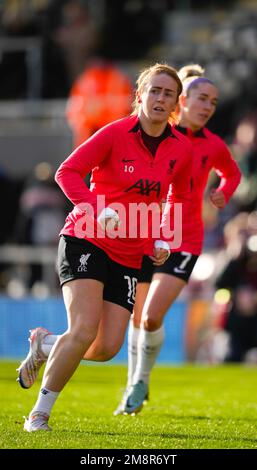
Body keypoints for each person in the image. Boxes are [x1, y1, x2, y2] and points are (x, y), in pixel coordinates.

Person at [17, 62, 194, 431]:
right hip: (86, 239)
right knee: (82, 330)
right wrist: (97, 209)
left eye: (169, 94)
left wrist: (162, 237)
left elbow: (176, 194)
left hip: (130, 254)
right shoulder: (115, 132)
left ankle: (45, 344)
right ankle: (39, 415)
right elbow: (66, 172)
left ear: (177, 103)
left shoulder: (181, 148)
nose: (161, 98)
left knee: (105, 348)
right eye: (155, 90)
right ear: (140, 95)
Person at [112, 64, 241, 415]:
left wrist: (222, 193)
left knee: (152, 317)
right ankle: (132, 385)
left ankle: (139, 381)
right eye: (202, 98)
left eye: (213, 102)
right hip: (145, 234)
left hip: (185, 239)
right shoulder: (157, 134)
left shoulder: (213, 145)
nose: (207, 107)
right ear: (182, 100)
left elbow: (232, 172)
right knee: (136, 317)